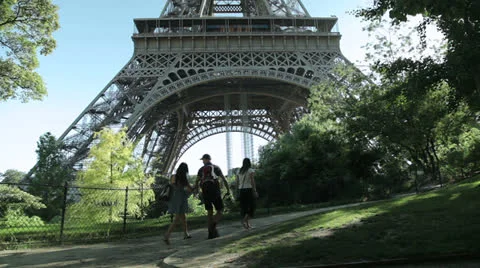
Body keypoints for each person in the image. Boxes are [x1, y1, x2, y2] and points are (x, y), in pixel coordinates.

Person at [194, 154, 230, 239]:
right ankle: (213, 225)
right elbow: (224, 179)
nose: (202, 161)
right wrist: (228, 190)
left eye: (203, 160)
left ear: (207, 159)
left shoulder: (201, 169)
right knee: (220, 210)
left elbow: (196, 182)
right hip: (215, 191)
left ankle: (210, 233)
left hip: (205, 192)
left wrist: (196, 191)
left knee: (209, 212)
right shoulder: (216, 167)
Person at [164, 163, 193, 245]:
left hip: (174, 198)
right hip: (180, 198)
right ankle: (167, 235)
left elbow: (172, 185)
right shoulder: (183, 179)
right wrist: (195, 186)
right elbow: (190, 189)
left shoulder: (174, 176)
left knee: (183, 217)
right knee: (177, 218)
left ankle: (186, 233)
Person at [236, 158, 258, 229]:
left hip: (241, 190)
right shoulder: (250, 170)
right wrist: (254, 190)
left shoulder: (239, 171)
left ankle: (247, 225)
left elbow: (237, 182)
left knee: (244, 207)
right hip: (248, 189)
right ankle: (244, 220)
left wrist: (237, 190)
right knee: (252, 206)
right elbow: (252, 181)